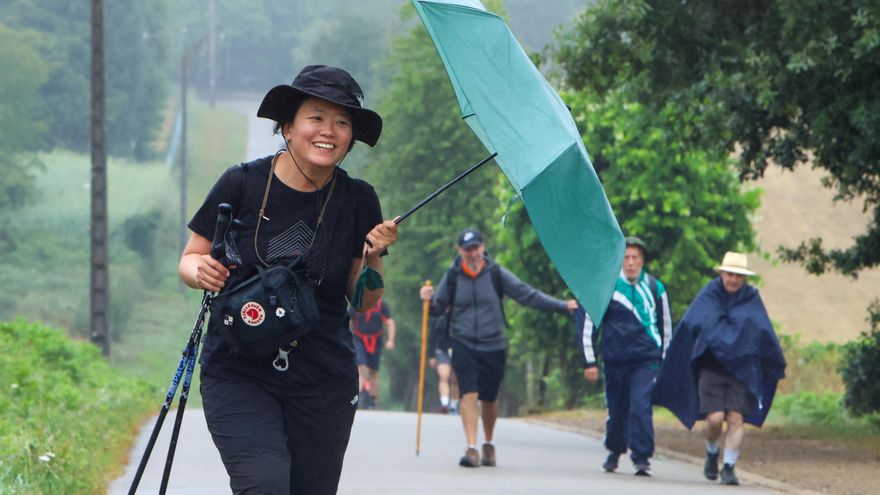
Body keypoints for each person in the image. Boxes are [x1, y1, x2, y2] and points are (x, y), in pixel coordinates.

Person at [178, 65, 398, 494]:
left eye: (342, 122)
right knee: (264, 484)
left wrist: (373, 257)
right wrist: (199, 271)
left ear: (351, 137)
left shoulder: (358, 200)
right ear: (288, 126)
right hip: (240, 370)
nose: (329, 131)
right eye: (316, 117)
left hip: (322, 380)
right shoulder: (240, 183)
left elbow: (365, 301)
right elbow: (190, 258)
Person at [419, 228, 578, 468]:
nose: (472, 254)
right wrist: (427, 299)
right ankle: (471, 448)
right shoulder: (452, 276)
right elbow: (437, 309)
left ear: (483, 248)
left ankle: (488, 443)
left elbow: (527, 295)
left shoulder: (495, 273)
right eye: (467, 250)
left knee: (489, 399)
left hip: (493, 344)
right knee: (468, 395)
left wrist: (562, 305)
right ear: (460, 251)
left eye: (476, 248)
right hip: (462, 342)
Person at [652, 252, 786, 486]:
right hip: (712, 367)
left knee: (735, 418)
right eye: (729, 274)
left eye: (738, 276)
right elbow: (693, 323)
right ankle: (712, 451)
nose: (733, 280)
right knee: (714, 419)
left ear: (744, 278)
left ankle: (729, 467)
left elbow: (761, 330)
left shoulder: (751, 299)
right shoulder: (709, 295)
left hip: (741, 369)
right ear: (722, 274)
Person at [575, 236, 672, 476]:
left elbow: (666, 326)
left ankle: (642, 458)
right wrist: (589, 361)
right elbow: (589, 325)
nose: (630, 263)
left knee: (640, 407)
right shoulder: (606, 287)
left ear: (642, 261)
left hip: (646, 361)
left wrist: (665, 361)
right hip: (615, 360)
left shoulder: (654, 288)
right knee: (617, 409)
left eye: (635, 257)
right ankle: (615, 450)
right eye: (626, 257)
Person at [350, 297, 396, 409]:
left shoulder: (381, 305)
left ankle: (373, 400)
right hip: (359, 340)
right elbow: (348, 321)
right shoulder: (356, 304)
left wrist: (391, 340)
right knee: (362, 366)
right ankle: (359, 395)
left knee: (373, 373)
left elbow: (390, 322)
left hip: (376, 341)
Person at [427, 312, 460, 414]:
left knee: (455, 379)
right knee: (443, 376)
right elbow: (432, 336)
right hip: (442, 351)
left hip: (458, 351)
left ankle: (454, 405)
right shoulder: (438, 319)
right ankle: (444, 403)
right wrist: (431, 355)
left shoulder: (462, 317)